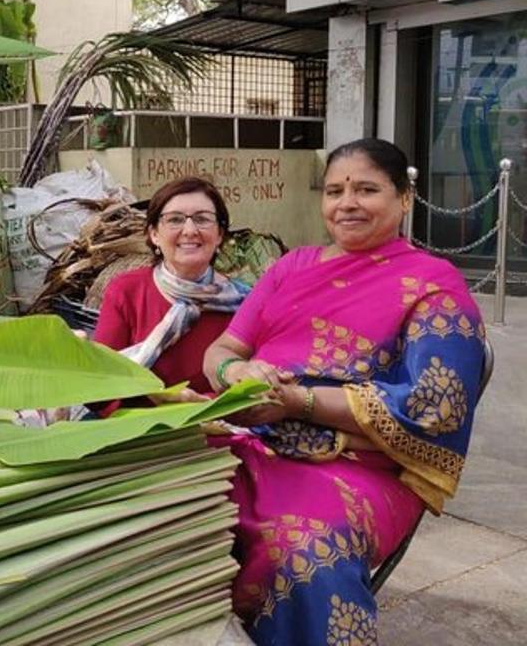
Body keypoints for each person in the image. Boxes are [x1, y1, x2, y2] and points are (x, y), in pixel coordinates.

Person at [201, 138, 485, 646]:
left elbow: (435, 406)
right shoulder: (292, 267)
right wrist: (238, 375)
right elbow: (222, 349)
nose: (346, 203)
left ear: (404, 199)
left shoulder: (431, 286)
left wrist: (300, 402)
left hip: (358, 465)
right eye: (334, 190)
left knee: (299, 550)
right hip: (254, 440)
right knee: (170, 507)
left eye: (366, 189)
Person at [92, 176, 246, 411]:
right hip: (137, 430)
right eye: (175, 220)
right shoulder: (126, 291)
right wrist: (157, 398)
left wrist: (201, 406)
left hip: (220, 426)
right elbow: (100, 388)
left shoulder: (245, 303)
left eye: (202, 219)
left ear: (220, 235)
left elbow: (252, 388)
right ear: (154, 234)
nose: (190, 230)